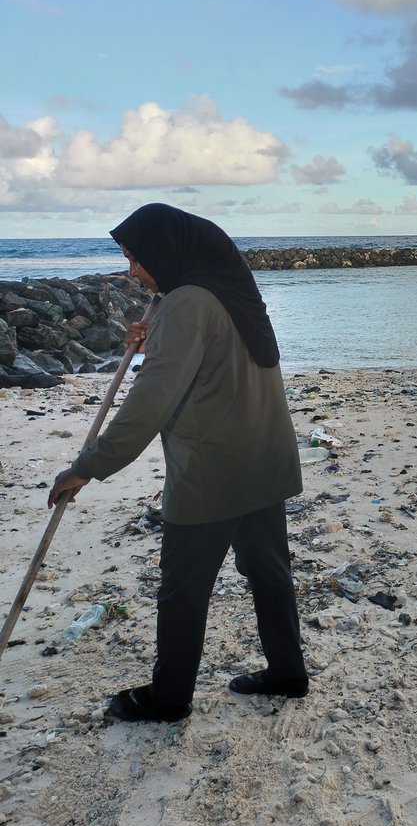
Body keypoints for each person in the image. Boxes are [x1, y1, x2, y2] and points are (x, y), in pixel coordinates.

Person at [48, 203, 308, 723]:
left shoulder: (186, 303)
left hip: (211, 473)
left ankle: (168, 699)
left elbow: (151, 400)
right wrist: (157, 330)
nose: (132, 272)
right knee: (269, 574)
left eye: (136, 259)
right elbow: (208, 359)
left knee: (183, 590)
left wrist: (88, 465)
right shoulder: (226, 289)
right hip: (264, 458)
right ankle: (287, 672)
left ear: (166, 253)